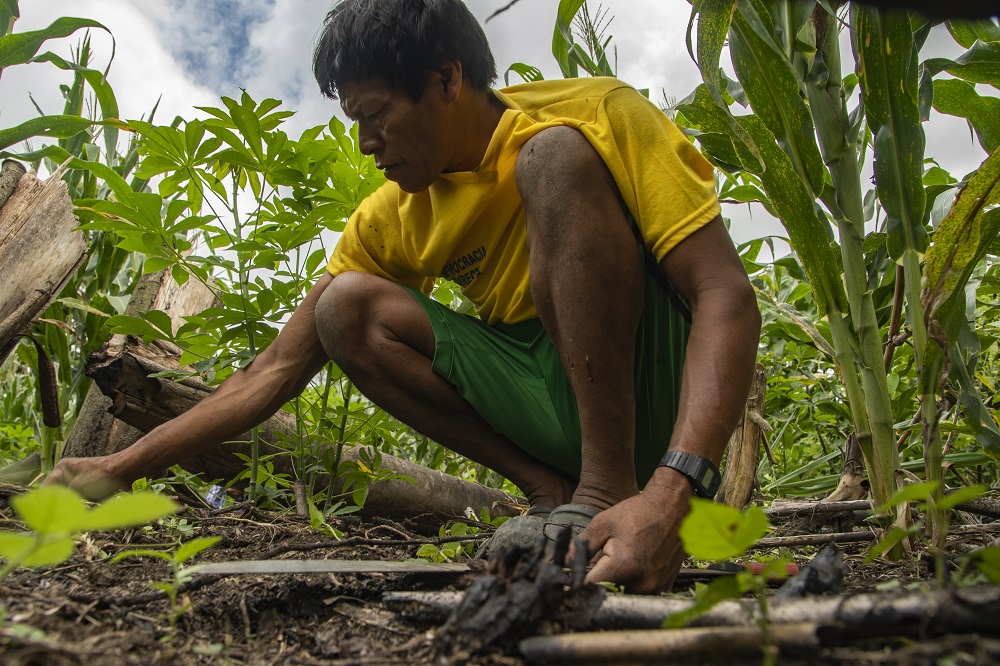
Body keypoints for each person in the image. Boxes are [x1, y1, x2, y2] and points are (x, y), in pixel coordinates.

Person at [47, 0, 760, 593]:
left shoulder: (598, 112)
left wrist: (673, 493)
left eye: (377, 115)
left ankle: (607, 494)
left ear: (447, 79)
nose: (365, 143)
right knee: (343, 307)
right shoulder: (392, 218)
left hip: (652, 394)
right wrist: (114, 469)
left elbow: (724, 294)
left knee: (555, 157)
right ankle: (554, 493)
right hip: (550, 390)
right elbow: (268, 375)